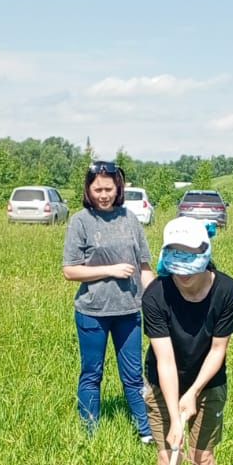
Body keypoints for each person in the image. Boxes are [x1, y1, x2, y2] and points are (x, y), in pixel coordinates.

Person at [141, 216, 233, 465]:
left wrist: (194, 392)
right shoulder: (156, 294)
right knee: (168, 454)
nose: (183, 275)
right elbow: (165, 359)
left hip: (208, 381)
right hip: (163, 382)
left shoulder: (225, 290)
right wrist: (175, 413)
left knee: (203, 455)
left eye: (190, 262)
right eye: (176, 260)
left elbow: (218, 350)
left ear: (205, 254)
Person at [62, 159, 155, 442]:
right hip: (92, 312)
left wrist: (154, 304)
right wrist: (110, 271)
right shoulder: (80, 221)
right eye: (97, 189)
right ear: (88, 190)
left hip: (129, 311)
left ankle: (146, 431)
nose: (103, 194)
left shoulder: (130, 220)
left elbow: (146, 268)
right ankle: (89, 434)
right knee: (92, 373)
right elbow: (70, 270)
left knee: (134, 376)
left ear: (119, 188)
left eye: (108, 188)